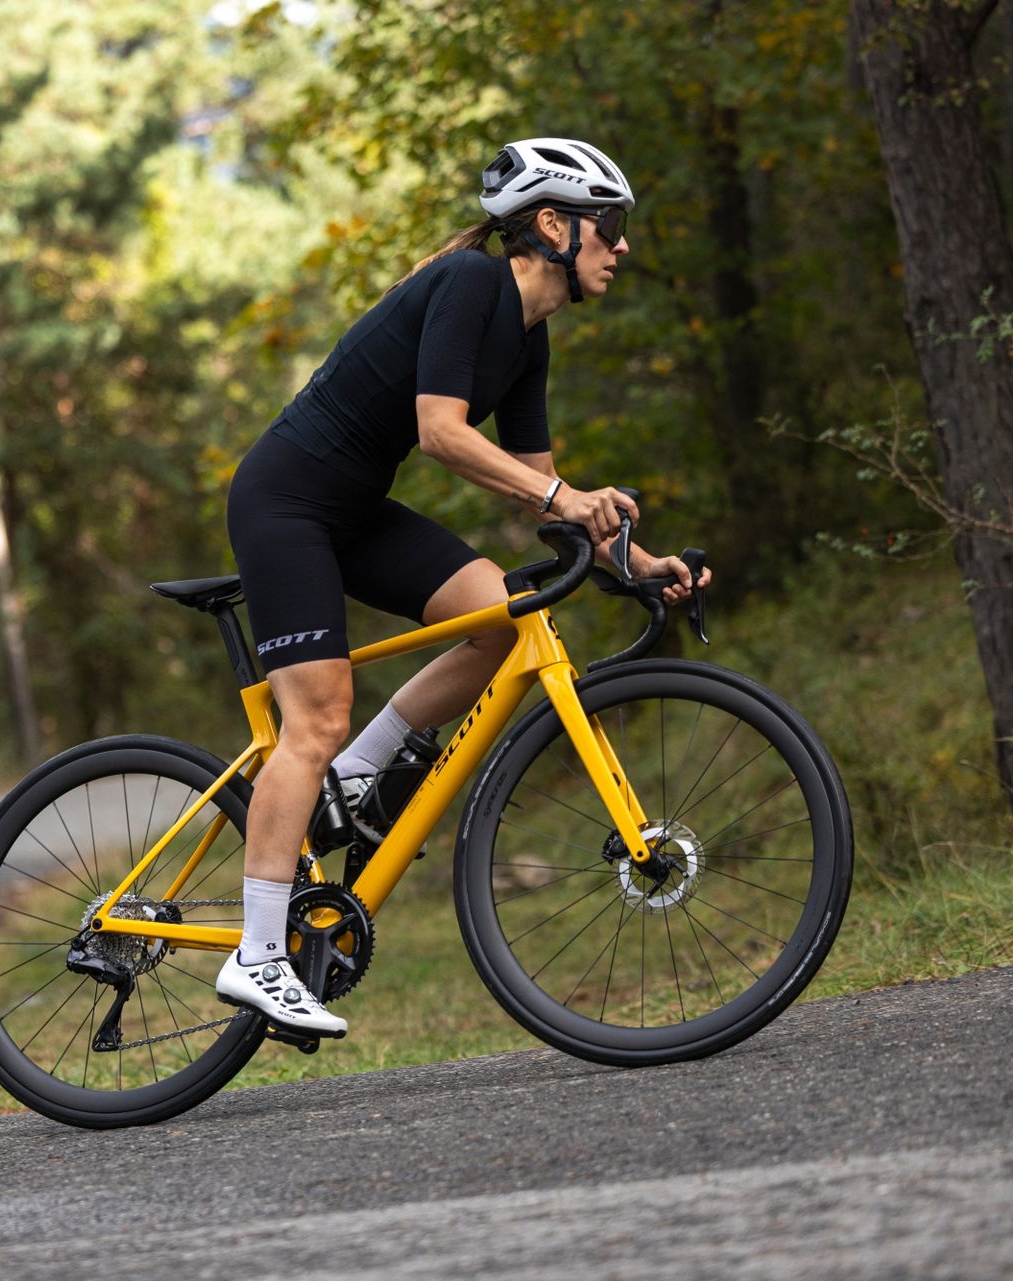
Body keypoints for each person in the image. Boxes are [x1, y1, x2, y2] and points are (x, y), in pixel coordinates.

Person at [214, 138, 711, 1035]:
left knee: (497, 614)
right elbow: (441, 433)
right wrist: (566, 496)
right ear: (553, 226)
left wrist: (639, 562)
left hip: (353, 507)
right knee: (315, 718)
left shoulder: (528, 339)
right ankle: (256, 954)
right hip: (285, 501)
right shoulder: (473, 285)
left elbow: (548, 503)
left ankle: (357, 777)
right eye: (612, 225)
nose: (623, 246)